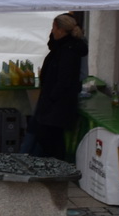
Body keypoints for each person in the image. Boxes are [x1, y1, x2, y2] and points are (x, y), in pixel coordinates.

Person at [23, 14, 87, 160]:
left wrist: (51, 98)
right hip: (52, 105)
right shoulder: (63, 47)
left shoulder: (68, 51)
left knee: (51, 144)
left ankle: (50, 171)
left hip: (56, 107)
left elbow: (64, 81)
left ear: (60, 30)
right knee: (48, 140)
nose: (51, 32)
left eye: (53, 29)